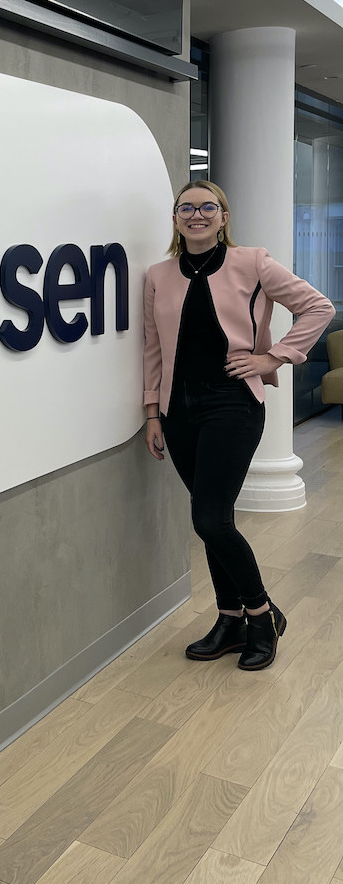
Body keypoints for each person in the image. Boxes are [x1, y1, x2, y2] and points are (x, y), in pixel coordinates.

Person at [143, 181, 334, 671]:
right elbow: (153, 349)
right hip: (178, 410)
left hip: (232, 404)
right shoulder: (159, 275)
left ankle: (262, 615)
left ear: (224, 216)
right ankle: (230, 619)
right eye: (187, 207)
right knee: (212, 517)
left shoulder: (252, 262)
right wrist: (151, 411)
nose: (197, 214)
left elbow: (318, 307)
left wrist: (273, 356)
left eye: (208, 206)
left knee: (210, 519)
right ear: (175, 219)